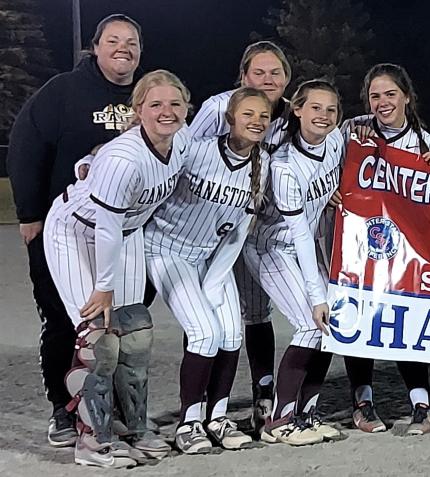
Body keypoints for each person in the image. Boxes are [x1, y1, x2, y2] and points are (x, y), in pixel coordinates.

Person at [6, 14, 143, 446]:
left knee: (119, 322)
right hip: (62, 229)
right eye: (114, 40)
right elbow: (26, 147)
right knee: (67, 322)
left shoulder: (147, 97)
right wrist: (30, 213)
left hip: (122, 232)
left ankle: (112, 405)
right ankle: (63, 409)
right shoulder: (64, 91)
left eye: (132, 42)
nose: (123, 48)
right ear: (95, 47)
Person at [43, 70, 189, 467]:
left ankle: (132, 426)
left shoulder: (183, 140)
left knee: (135, 331)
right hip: (76, 232)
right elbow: (105, 224)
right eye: (155, 104)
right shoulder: (125, 157)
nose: (167, 111)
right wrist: (103, 286)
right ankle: (92, 441)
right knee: (99, 339)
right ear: (138, 109)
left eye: (175, 103)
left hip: (125, 232)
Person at [144, 87, 272, 454]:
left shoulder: (260, 168)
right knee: (204, 333)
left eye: (263, 116)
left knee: (231, 334)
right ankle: (189, 422)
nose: (256, 121)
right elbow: (149, 165)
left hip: (212, 258)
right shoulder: (195, 150)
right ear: (230, 118)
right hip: (166, 250)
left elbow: (237, 235)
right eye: (247, 114)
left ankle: (217, 417)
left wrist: (214, 283)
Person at [188, 40, 292, 435]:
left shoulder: (290, 115)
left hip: (253, 228)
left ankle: (262, 396)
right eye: (259, 72)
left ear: (287, 79)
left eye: (276, 73)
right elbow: (185, 154)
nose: (267, 80)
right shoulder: (219, 108)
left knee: (253, 314)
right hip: (205, 229)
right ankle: (198, 408)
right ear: (243, 77)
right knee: (204, 317)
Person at [244, 79, 346, 445]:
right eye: (315, 107)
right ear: (297, 110)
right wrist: (317, 296)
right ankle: (279, 420)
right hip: (272, 246)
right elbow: (300, 234)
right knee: (309, 323)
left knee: (334, 326)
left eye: (331, 109)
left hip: (300, 247)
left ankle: (306, 413)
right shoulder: (285, 166)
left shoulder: (335, 141)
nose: (324, 115)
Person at [340, 64, 430, 434]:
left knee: (406, 322)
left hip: (405, 253)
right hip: (358, 245)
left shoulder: (428, 144)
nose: (383, 103)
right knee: (357, 318)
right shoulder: (352, 133)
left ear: (407, 97)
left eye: (390, 94)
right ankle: (362, 402)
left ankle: (422, 405)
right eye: (375, 96)